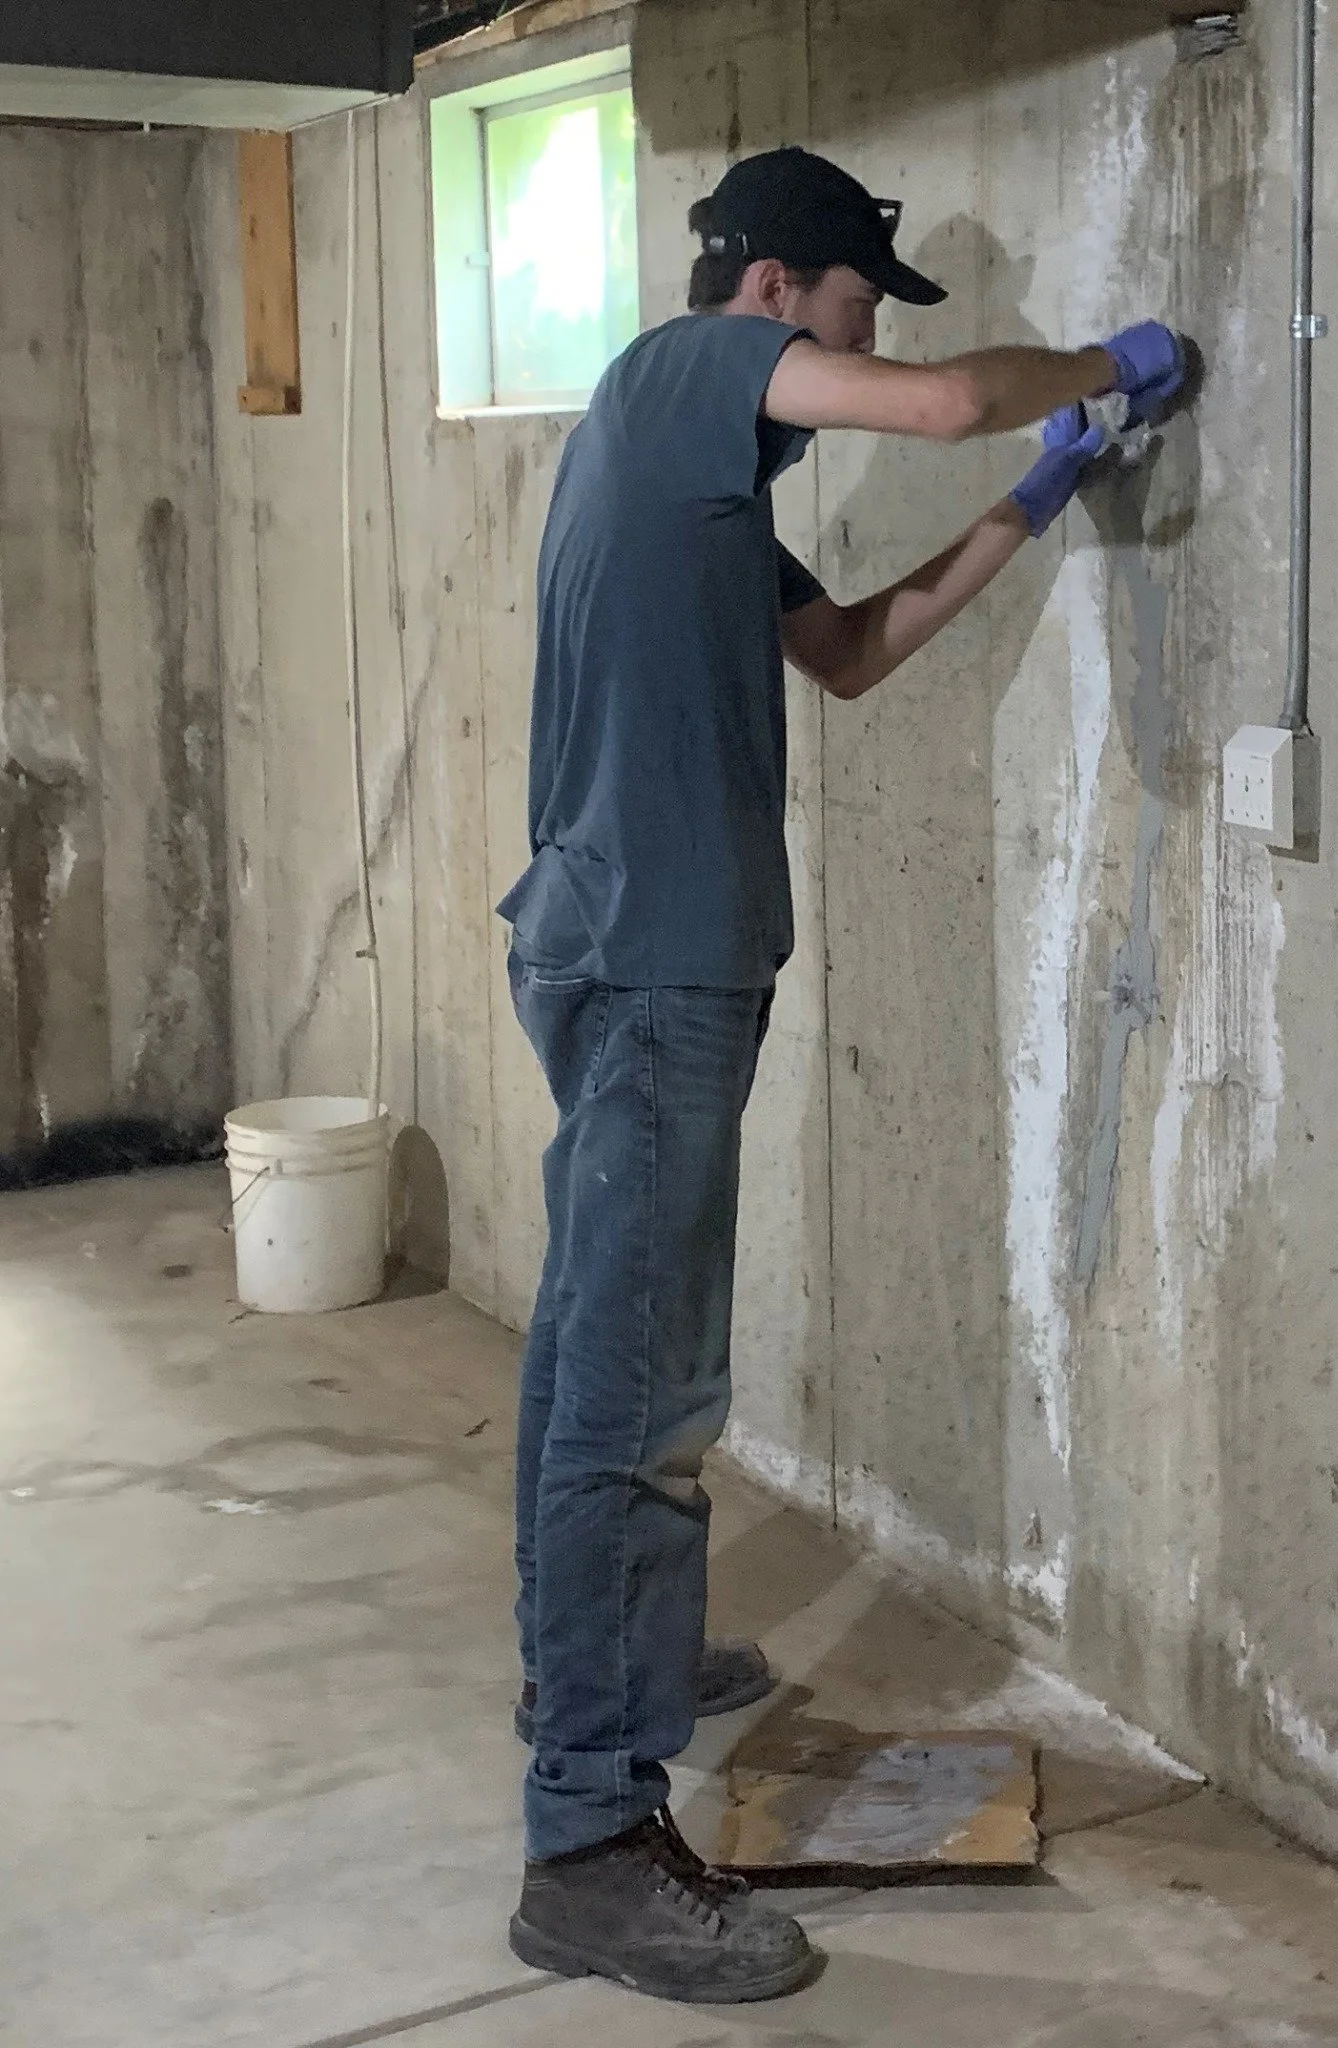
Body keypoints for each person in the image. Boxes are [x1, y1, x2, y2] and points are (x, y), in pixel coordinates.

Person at [496, 144, 1188, 2006]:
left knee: (594, 1356)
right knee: (637, 1404)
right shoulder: (673, 372)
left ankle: (598, 1662)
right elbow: (954, 396)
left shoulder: (702, 490)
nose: (874, 341)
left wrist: (1040, 504)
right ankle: (585, 1838)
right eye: (860, 303)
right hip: (648, 967)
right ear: (784, 285)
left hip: (630, 952)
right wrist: (1100, 369)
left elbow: (854, 655)